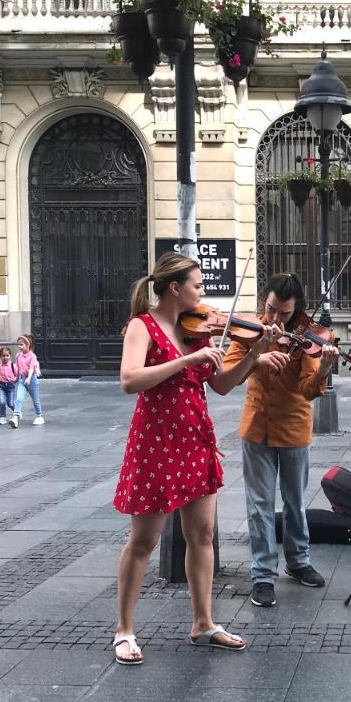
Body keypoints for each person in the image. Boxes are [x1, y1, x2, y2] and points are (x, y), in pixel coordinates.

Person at [111, 252, 279, 664]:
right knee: (144, 540)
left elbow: (220, 385)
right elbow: (129, 380)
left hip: (193, 439)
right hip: (156, 442)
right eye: (198, 286)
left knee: (202, 535)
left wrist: (255, 354)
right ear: (174, 288)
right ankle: (124, 630)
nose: (204, 295)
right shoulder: (142, 325)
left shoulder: (199, 331)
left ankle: (203, 623)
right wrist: (186, 359)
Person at [223, 273, 340, 609]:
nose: (276, 320)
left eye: (285, 314)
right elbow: (228, 376)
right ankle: (262, 575)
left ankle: (298, 560)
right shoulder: (248, 332)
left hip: (292, 427)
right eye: (271, 310)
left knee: (294, 502)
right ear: (265, 302)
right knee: (258, 506)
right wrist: (256, 355)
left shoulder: (307, 337)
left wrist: (324, 369)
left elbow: (308, 389)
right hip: (256, 426)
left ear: (296, 310)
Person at [10, 334, 44, 427]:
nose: (19, 346)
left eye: (21, 344)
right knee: (18, 399)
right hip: (22, 380)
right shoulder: (18, 356)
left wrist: (29, 378)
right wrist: (16, 378)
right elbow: (18, 368)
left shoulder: (32, 356)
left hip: (31, 380)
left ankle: (39, 416)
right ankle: (16, 416)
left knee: (36, 400)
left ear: (27, 345)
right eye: (18, 344)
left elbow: (31, 368)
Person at [0, 347, 19, 425]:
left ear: (10, 356)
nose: (5, 357)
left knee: (10, 403)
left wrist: (14, 380)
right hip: (1, 386)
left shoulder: (13, 366)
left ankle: (17, 412)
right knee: (2, 402)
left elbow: (17, 376)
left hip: (10, 387)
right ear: (0, 356)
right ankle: (2, 417)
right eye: (3, 356)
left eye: (7, 355)